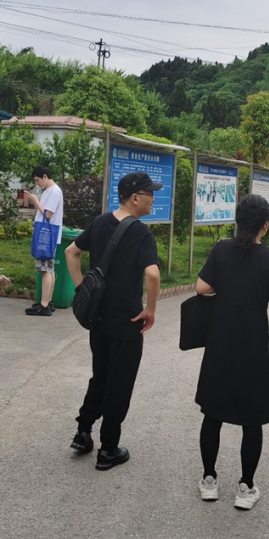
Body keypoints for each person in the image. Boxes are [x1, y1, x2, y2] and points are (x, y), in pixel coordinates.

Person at [193, 194, 269, 511]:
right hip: (252, 345)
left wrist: (224, 284)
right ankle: (246, 487)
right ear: (265, 226)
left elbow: (201, 288)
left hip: (220, 342)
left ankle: (209, 480)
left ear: (237, 221)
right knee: (253, 419)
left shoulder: (221, 249)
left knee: (213, 414)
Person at [63, 171, 162, 470]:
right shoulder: (141, 234)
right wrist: (151, 309)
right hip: (128, 321)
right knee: (120, 383)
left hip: (98, 320)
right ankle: (108, 449)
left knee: (101, 375)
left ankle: (83, 432)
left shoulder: (100, 222)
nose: (153, 198)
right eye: (149, 194)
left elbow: (71, 252)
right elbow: (153, 274)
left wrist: (81, 289)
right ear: (135, 198)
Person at [23, 166, 64, 317]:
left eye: (37, 180)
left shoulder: (54, 191)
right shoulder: (49, 191)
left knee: (45, 269)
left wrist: (35, 200)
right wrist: (36, 201)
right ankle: (48, 301)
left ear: (45, 176)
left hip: (47, 235)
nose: (37, 183)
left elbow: (47, 214)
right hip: (48, 234)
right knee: (48, 269)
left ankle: (44, 305)